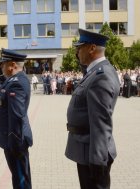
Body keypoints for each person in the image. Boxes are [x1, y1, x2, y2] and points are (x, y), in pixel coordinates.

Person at [65, 29, 120, 189]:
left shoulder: (101, 76)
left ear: (91, 48)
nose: (76, 52)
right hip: (87, 148)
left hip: (92, 153)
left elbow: (101, 123)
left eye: (79, 47)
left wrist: (97, 161)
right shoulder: (96, 71)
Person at [0, 48, 33, 189]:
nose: (2, 66)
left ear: (13, 65)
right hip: (13, 138)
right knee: (18, 177)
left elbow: (17, 115)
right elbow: (4, 86)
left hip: (16, 140)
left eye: (4, 64)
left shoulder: (17, 83)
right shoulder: (15, 80)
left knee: (21, 179)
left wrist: (14, 144)